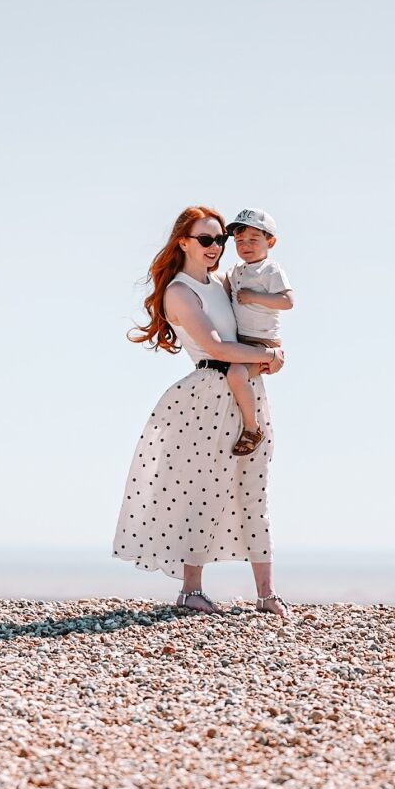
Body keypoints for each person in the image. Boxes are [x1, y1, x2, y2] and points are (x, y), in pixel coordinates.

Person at [113, 206, 291, 619]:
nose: (216, 247)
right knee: (203, 492)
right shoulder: (179, 291)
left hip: (247, 388)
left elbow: (261, 314)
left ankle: (266, 594)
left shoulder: (224, 283)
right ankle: (191, 591)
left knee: (255, 491)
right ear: (184, 242)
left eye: (220, 240)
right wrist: (268, 355)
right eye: (206, 239)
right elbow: (215, 347)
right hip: (207, 396)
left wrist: (267, 355)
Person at [221, 208, 294, 456]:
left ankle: (252, 428)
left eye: (254, 239)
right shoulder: (236, 271)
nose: (246, 245)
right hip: (241, 340)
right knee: (230, 375)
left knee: (237, 374)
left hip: (262, 340)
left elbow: (287, 301)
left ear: (270, 242)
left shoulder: (270, 270)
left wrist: (255, 297)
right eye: (240, 241)